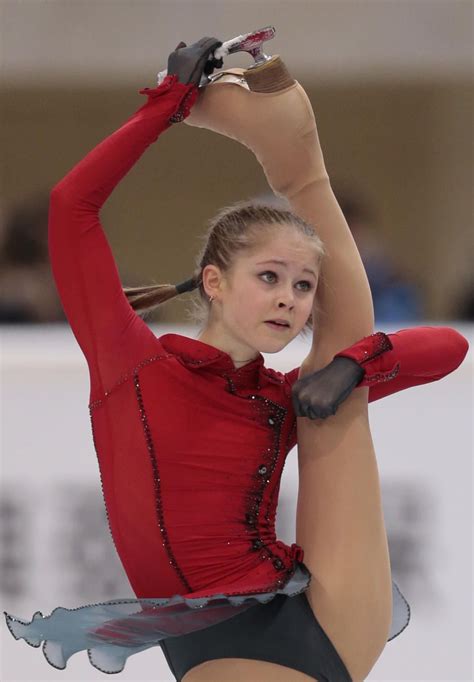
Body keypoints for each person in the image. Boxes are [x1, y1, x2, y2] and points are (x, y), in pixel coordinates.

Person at [3, 38, 468, 682]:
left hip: (319, 613)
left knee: (335, 383)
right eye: (271, 277)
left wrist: (351, 368)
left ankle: (301, 172)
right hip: (220, 632)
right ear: (214, 281)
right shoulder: (132, 363)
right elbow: (70, 208)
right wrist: (163, 109)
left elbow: (452, 349)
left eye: (304, 287)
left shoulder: (284, 398)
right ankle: (295, 165)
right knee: (335, 375)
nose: (289, 300)